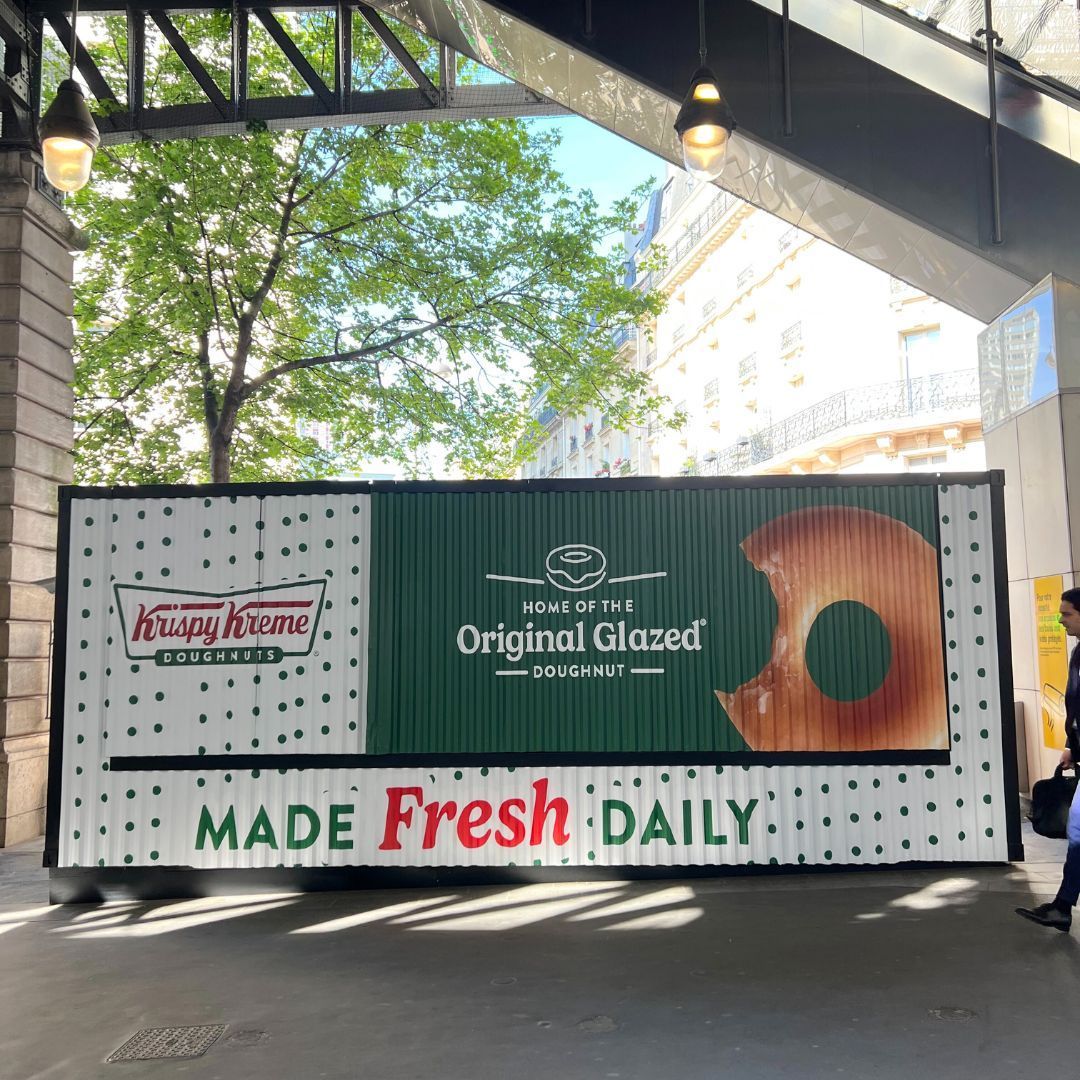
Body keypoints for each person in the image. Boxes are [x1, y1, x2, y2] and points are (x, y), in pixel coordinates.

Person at [1016, 586, 1080, 932]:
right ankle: (1062, 906)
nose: (1060, 619)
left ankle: (1062, 906)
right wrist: (1073, 744)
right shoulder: (1078, 654)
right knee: (1078, 834)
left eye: (1067, 613)